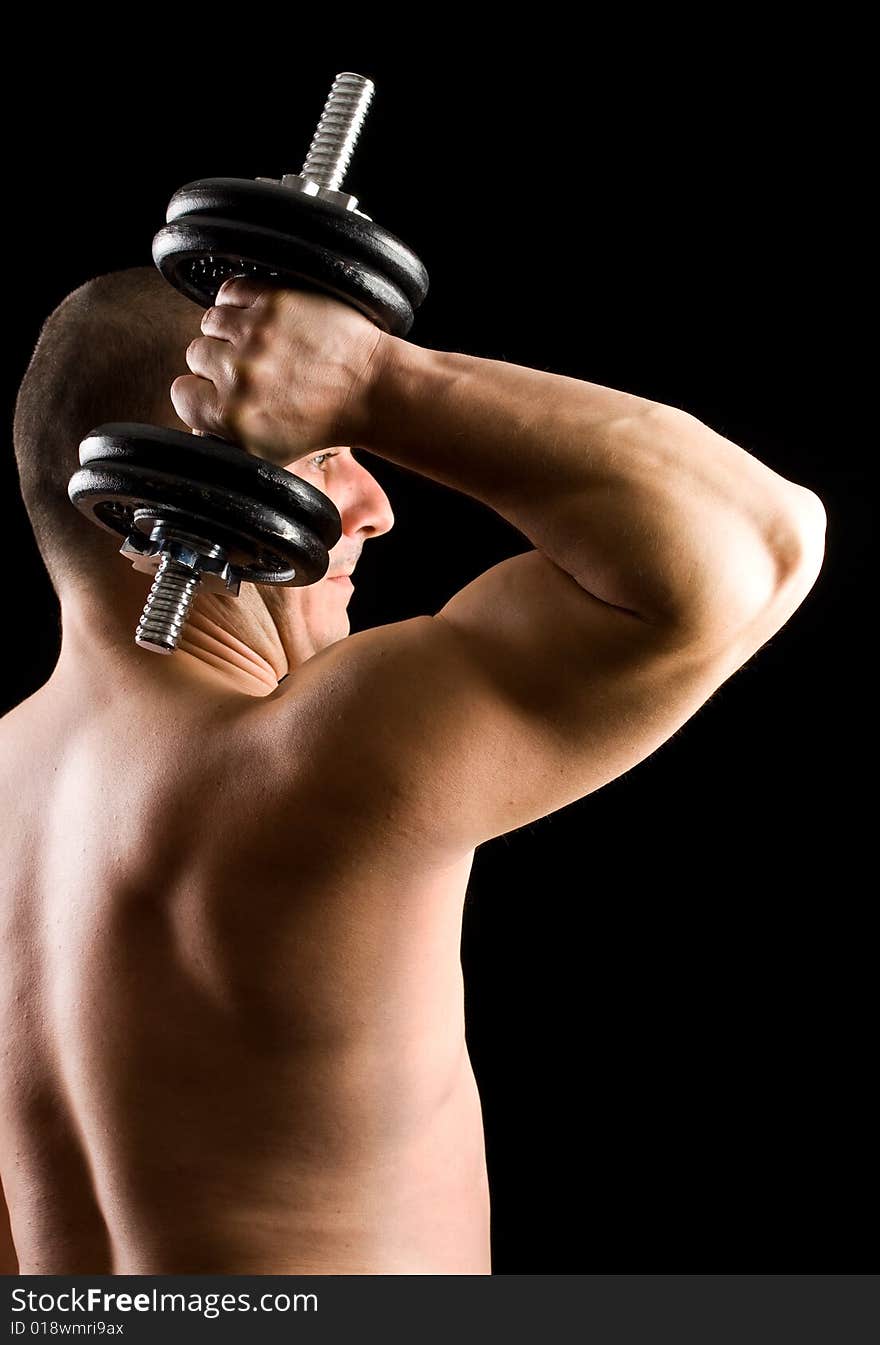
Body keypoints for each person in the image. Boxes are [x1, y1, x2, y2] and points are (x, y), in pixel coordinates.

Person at [0, 266, 826, 1275]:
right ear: (171, 496)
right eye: (327, 450)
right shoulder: (313, 768)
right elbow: (759, 545)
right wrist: (381, 381)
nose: (375, 505)